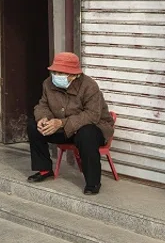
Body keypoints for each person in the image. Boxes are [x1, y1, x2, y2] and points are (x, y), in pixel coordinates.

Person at [26, 51, 115, 195]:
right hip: (64, 128)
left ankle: (93, 183)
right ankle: (44, 170)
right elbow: (42, 105)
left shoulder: (89, 86)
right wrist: (43, 118)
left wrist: (60, 123)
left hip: (93, 128)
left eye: (61, 73)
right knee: (33, 125)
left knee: (86, 133)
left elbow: (92, 115)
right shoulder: (48, 84)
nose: (56, 76)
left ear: (74, 75)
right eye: (54, 72)